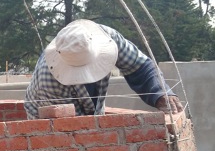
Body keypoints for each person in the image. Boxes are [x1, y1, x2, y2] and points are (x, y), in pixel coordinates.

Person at [24, 19, 183, 119]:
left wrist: (161, 93)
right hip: (47, 124)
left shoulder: (107, 38)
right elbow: (71, 132)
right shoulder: (50, 78)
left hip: (90, 112)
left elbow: (141, 67)